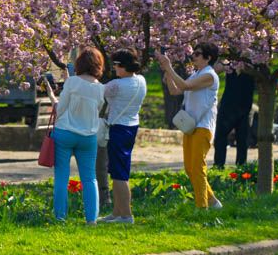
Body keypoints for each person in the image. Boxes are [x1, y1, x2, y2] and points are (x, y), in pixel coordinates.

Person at [156, 43, 222, 210]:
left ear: (208, 58)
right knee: (189, 168)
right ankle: (213, 202)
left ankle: (202, 208)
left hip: (204, 126)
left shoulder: (210, 75)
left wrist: (169, 68)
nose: (193, 57)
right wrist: (167, 72)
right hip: (191, 126)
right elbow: (175, 91)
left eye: (198, 54)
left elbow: (185, 86)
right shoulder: (195, 74)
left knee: (198, 167)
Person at [52, 47, 106, 224]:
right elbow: (96, 110)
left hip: (65, 132)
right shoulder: (101, 88)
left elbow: (61, 109)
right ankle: (91, 219)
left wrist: (55, 101)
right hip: (88, 136)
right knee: (90, 178)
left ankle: (60, 217)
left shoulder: (72, 82)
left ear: (80, 63)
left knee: (61, 176)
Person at [99, 49, 147, 224]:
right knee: (119, 170)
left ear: (123, 66)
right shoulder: (141, 80)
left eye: (116, 65)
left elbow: (97, 92)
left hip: (118, 128)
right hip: (132, 126)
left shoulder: (116, 85)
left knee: (119, 174)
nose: (114, 68)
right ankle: (117, 212)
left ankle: (126, 215)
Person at [214, 69, 254, 167]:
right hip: (228, 104)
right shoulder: (230, 59)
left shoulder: (255, 64)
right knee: (220, 136)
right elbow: (215, 69)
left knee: (243, 139)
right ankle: (218, 165)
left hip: (245, 105)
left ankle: (241, 166)